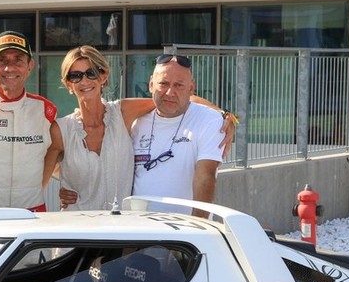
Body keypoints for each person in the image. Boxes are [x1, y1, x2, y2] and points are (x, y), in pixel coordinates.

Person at [51, 46, 235, 211]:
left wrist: (225, 115)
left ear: (103, 76)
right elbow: (44, 165)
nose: (84, 81)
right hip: (100, 231)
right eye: (75, 75)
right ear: (68, 83)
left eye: (91, 73)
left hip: (145, 235)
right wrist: (74, 183)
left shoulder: (122, 114)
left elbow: (175, 100)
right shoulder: (64, 128)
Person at [0, 31, 59, 210]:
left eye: (18, 60)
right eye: (1, 60)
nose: (10, 68)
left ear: (30, 66)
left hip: (33, 214)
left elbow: (57, 153)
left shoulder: (46, 111)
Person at [131, 54, 228, 217]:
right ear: (151, 84)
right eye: (163, 83)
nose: (170, 92)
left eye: (178, 85)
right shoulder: (135, 121)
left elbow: (206, 176)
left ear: (191, 88)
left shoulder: (210, 120)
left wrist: (198, 227)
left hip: (182, 234)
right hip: (138, 229)